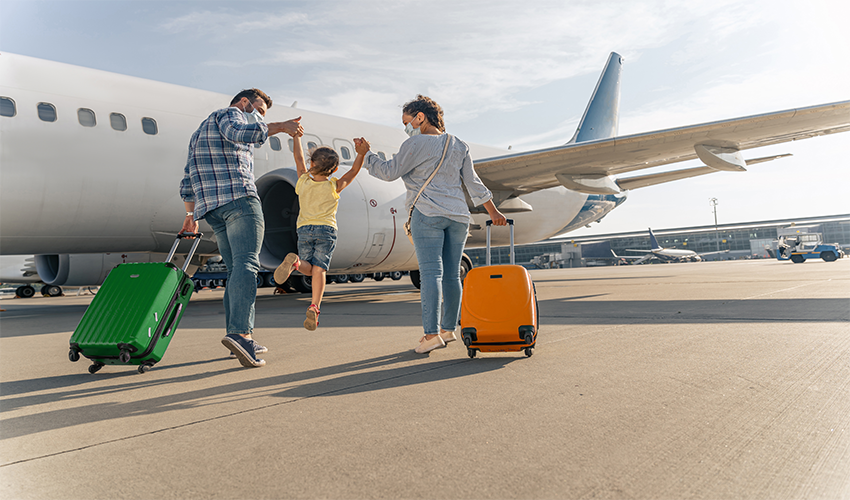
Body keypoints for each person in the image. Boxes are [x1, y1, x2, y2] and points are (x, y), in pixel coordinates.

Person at [357, 95, 507, 354]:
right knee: (452, 275)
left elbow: (389, 172)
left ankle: (431, 335)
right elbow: (473, 183)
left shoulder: (414, 143)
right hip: (459, 216)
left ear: (420, 117)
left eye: (407, 122)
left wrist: (366, 155)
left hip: (427, 214)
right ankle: (448, 330)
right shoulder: (458, 144)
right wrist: (493, 212)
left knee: (430, 274)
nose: (406, 128)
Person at [180, 88, 302, 368]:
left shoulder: (198, 134)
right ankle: (241, 333)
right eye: (258, 110)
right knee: (248, 265)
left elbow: (187, 177)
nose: (260, 117)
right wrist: (281, 127)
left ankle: (238, 333)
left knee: (236, 270)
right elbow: (240, 133)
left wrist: (190, 213)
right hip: (239, 200)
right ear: (245, 102)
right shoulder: (230, 114)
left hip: (212, 210)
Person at [273, 131, 365, 330]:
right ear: (335, 169)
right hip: (326, 230)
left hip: (304, 229)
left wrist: (296, 137)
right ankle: (315, 305)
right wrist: (361, 153)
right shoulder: (335, 186)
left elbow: (298, 158)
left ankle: (296, 262)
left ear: (312, 164)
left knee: (308, 266)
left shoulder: (303, 181)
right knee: (319, 269)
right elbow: (354, 172)